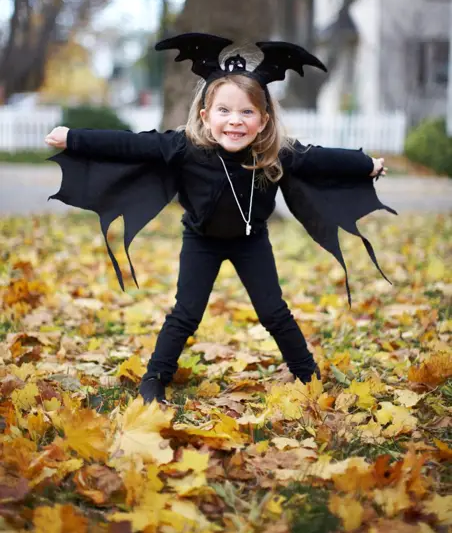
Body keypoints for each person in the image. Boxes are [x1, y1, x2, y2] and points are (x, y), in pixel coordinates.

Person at [44, 33, 392, 406]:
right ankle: (154, 378)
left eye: (246, 112)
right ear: (205, 116)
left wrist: (366, 164)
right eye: (224, 111)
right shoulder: (184, 147)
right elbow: (130, 144)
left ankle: (308, 375)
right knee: (186, 314)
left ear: (263, 120)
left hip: (251, 242)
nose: (235, 121)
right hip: (201, 241)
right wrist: (73, 138)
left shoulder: (276, 154)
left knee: (274, 312)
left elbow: (324, 158)